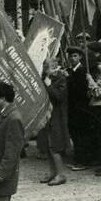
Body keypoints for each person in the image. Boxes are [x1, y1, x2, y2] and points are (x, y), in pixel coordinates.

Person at [38, 58, 69, 186]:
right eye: (45, 68)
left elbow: (58, 97)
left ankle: (61, 174)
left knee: (54, 145)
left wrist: (49, 84)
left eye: (48, 68)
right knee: (47, 144)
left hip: (56, 115)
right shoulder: (44, 79)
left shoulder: (61, 79)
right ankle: (52, 172)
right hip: (46, 115)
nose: (46, 71)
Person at [65, 46, 93, 171]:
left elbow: (79, 90)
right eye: (70, 56)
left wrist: (69, 79)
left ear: (80, 57)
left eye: (75, 56)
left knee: (81, 135)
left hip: (81, 108)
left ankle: (83, 161)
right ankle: (77, 159)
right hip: (73, 107)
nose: (72, 58)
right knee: (75, 135)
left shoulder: (81, 71)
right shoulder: (72, 70)